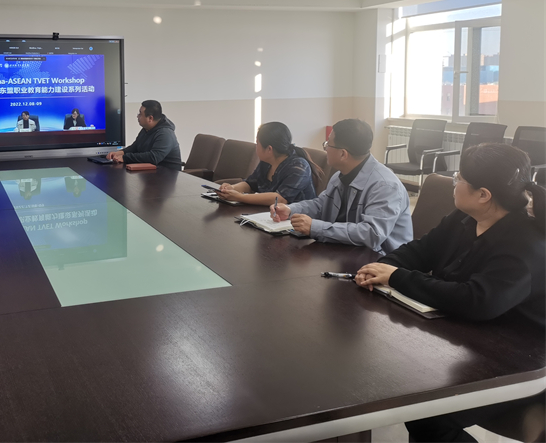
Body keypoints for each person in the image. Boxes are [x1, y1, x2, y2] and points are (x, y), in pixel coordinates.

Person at [355, 143, 546, 442]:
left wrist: (397, 277)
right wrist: (382, 267)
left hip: (522, 360)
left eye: (459, 178)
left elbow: (478, 300)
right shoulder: (463, 218)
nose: (454, 183)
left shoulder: (526, 244)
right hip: (471, 339)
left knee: (428, 416)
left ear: (483, 195)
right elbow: (420, 251)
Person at [271, 119, 412, 255]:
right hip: (348, 251)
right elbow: (321, 205)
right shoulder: (340, 175)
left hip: (383, 260)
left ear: (343, 154)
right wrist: (291, 210)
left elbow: (371, 234)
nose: (325, 148)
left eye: (328, 144)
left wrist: (315, 227)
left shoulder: (385, 186)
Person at [218, 122, 322, 205]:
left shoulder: (299, 167)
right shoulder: (266, 162)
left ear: (269, 149)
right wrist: (232, 188)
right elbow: (251, 184)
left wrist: (239, 197)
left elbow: (280, 199)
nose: (256, 147)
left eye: (257, 143)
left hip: (297, 220)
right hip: (270, 215)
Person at [106, 100, 182, 170]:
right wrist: (119, 153)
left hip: (168, 175)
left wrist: (124, 158)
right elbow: (135, 147)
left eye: (140, 114)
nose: (137, 116)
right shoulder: (146, 129)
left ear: (150, 118)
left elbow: (154, 157)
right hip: (151, 173)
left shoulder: (165, 133)